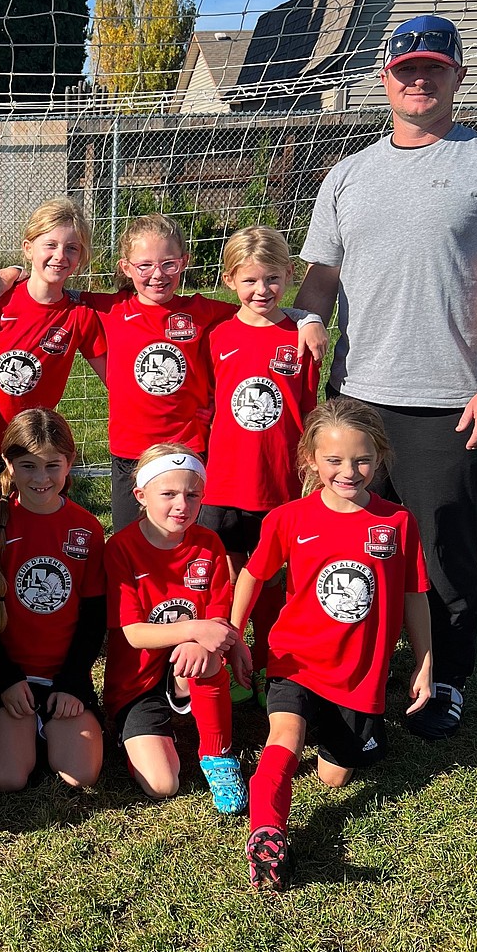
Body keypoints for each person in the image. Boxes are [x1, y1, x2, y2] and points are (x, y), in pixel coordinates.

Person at [296, 14, 477, 741]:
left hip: (448, 402)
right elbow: (318, 284)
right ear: (384, 78)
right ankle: (354, 670)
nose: (418, 80)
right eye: (406, 69)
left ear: (457, 76)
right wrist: (305, 324)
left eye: (433, 68)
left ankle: (446, 680)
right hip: (355, 400)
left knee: (443, 551)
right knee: (354, 545)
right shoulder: (348, 173)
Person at [0, 213, 325, 530]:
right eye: (144, 266)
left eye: (169, 264)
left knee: (187, 541)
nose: (157, 275)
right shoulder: (106, 308)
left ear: (184, 263)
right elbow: (52, 285)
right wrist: (13, 273)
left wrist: (307, 318)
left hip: (187, 448)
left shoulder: (203, 312)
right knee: (130, 539)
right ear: (125, 267)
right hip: (131, 451)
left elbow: (259, 307)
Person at [231, 398, 432, 891]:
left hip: (359, 675)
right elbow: (252, 576)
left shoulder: (398, 522)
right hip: (295, 658)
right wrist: (234, 635)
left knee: (334, 777)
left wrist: (425, 662)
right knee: (284, 741)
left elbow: (414, 596)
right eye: (335, 460)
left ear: (379, 458)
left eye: (362, 460)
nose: (349, 471)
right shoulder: (288, 518)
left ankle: (333, 737)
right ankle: (266, 835)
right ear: (311, 461)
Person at [198, 227, 320, 705]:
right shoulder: (218, 336)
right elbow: (206, 404)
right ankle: (227, 660)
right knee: (224, 580)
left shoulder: (302, 339)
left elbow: (309, 416)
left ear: (290, 275)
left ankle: (275, 667)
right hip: (225, 485)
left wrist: (310, 474)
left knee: (274, 583)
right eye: (249, 281)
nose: (261, 290)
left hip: (281, 488)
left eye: (272, 278)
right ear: (229, 280)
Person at [103, 445, 250, 815]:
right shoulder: (120, 549)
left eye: (192, 494)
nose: (181, 504)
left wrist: (209, 639)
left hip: (185, 666)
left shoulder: (209, 544)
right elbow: (134, 633)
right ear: (140, 495)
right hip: (135, 682)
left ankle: (218, 756)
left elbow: (217, 621)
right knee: (162, 784)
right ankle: (131, 733)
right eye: (168, 494)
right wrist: (196, 629)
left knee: (204, 654)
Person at [0, 409, 105, 792]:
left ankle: (45, 726)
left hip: (63, 675)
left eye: (53, 465)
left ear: (70, 463)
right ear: (8, 464)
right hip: (5, 677)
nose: (41, 478)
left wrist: (70, 682)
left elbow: (93, 616)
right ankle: (19, 729)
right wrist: (6, 679)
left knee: (80, 776)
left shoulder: (87, 527)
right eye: (28, 465)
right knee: (8, 779)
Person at [0, 198, 108, 508]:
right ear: (29, 248)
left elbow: (113, 379)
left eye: (72, 248)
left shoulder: (79, 316)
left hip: (30, 435)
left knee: (27, 506)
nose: (60, 256)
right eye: (50, 245)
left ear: (81, 257)